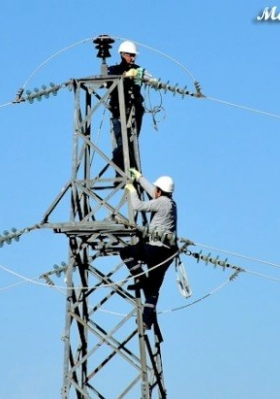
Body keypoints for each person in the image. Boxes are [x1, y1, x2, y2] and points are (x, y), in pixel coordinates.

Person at [120, 168, 178, 330]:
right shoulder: (171, 204)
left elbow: (138, 206)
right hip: (168, 253)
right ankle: (146, 321)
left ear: (160, 190)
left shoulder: (160, 202)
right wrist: (139, 178)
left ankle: (140, 278)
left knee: (126, 252)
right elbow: (154, 193)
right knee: (153, 290)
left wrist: (131, 190)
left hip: (154, 249)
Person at [108, 40, 147, 174]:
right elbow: (108, 82)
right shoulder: (113, 70)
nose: (133, 58)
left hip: (134, 112)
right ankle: (123, 173)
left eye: (134, 55)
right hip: (118, 112)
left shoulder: (138, 70)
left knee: (131, 142)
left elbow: (144, 79)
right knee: (121, 144)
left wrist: (146, 78)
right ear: (123, 54)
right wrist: (124, 76)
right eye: (131, 55)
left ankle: (130, 173)